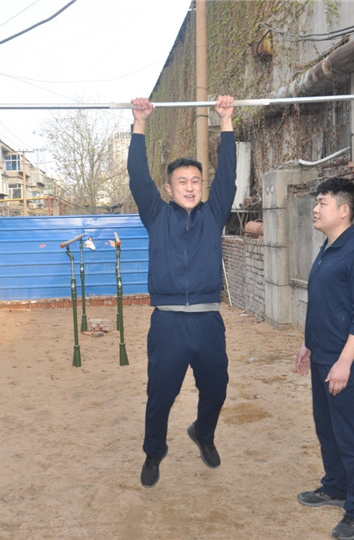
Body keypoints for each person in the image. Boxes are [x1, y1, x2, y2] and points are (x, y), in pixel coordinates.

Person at [128, 95, 236, 488]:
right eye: (182, 182)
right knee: (160, 396)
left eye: (195, 181)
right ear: (169, 187)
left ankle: (202, 432)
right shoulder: (157, 216)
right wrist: (140, 124)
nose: (190, 187)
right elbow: (137, 176)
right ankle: (154, 452)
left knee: (217, 389)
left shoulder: (213, 214)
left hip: (208, 320)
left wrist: (226, 121)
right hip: (169, 325)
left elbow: (228, 178)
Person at [295, 177, 354, 540]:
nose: (315, 208)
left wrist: (344, 362)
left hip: (347, 361)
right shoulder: (328, 248)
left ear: (344, 211)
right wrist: (308, 344)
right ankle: (335, 486)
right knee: (326, 427)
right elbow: (324, 305)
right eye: (316, 202)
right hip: (322, 355)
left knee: (351, 434)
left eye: (323, 202)